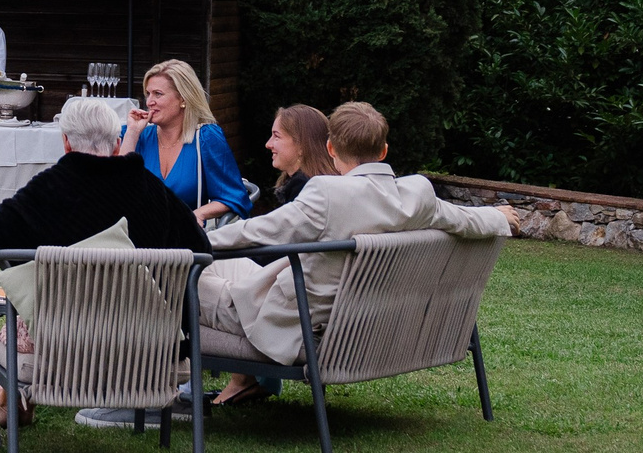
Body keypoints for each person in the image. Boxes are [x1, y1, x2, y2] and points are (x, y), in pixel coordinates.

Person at [201, 101, 518, 405]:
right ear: (383, 151)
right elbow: (463, 218)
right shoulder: (416, 194)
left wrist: (191, 239)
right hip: (364, 329)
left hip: (296, 329)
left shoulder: (326, 193)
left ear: (331, 149)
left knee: (178, 275)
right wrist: (498, 216)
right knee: (231, 269)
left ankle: (165, 389)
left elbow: (256, 231)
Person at [0, 94, 212, 424]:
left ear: (66, 142)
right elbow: (201, 249)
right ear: (118, 142)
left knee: (11, 333)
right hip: (147, 346)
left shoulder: (48, 190)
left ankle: (9, 402)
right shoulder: (152, 190)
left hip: (63, 346)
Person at [118, 58, 248, 221]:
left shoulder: (206, 138)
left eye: (158, 94)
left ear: (183, 99)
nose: (149, 102)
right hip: (136, 236)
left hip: (184, 241)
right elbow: (116, 188)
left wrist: (197, 215)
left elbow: (233, 197)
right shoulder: (137, 135)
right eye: (148, 94)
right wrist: (132, 133)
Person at [258, 103, 338, 215]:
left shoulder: (305, 189)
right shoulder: (328, 184)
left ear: (301, 145)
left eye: (277, 136)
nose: (268, 144)